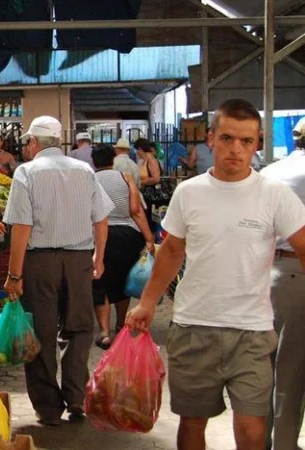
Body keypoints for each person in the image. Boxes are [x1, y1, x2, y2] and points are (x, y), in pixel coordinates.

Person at [125, 98, 305, 450]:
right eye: (227, 138)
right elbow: (172, 251)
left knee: (252, 429)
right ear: (211, 140)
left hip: (252, 332)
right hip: (194, 328)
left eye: (246, 141)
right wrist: (147, 302)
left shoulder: (275, 195)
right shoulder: (189, 193)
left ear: (257, 144)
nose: (236, 149)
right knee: (193, 424)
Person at [2, 115, 113, 426]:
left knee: (40, 332)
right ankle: (77, 398)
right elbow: (101, 218)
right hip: (78, 261)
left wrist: (14, 275)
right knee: (79, 328)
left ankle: (49, 408)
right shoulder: (84, 171)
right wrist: (99, 257)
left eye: (27, 143)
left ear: (34, 142)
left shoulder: (26, 172)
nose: (26, 148)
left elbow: (21, 226)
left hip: (40, 263)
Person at [260, 117, 305, 450]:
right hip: (299, 271)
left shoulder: (271, 172)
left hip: (269, 272)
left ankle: (258, 441)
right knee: (292, 371)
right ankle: (285, 445)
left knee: (266, 366)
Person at [90, 144, 156, 350]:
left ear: (93, 161)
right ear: (113, 159)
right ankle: (120, 326)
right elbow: (135, 210)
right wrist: (149, 238)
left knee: (100, 283)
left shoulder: (89, 179)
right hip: (127, 236)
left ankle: (104, 332)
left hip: (98, 236)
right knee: (121, 280)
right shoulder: (125, 177)